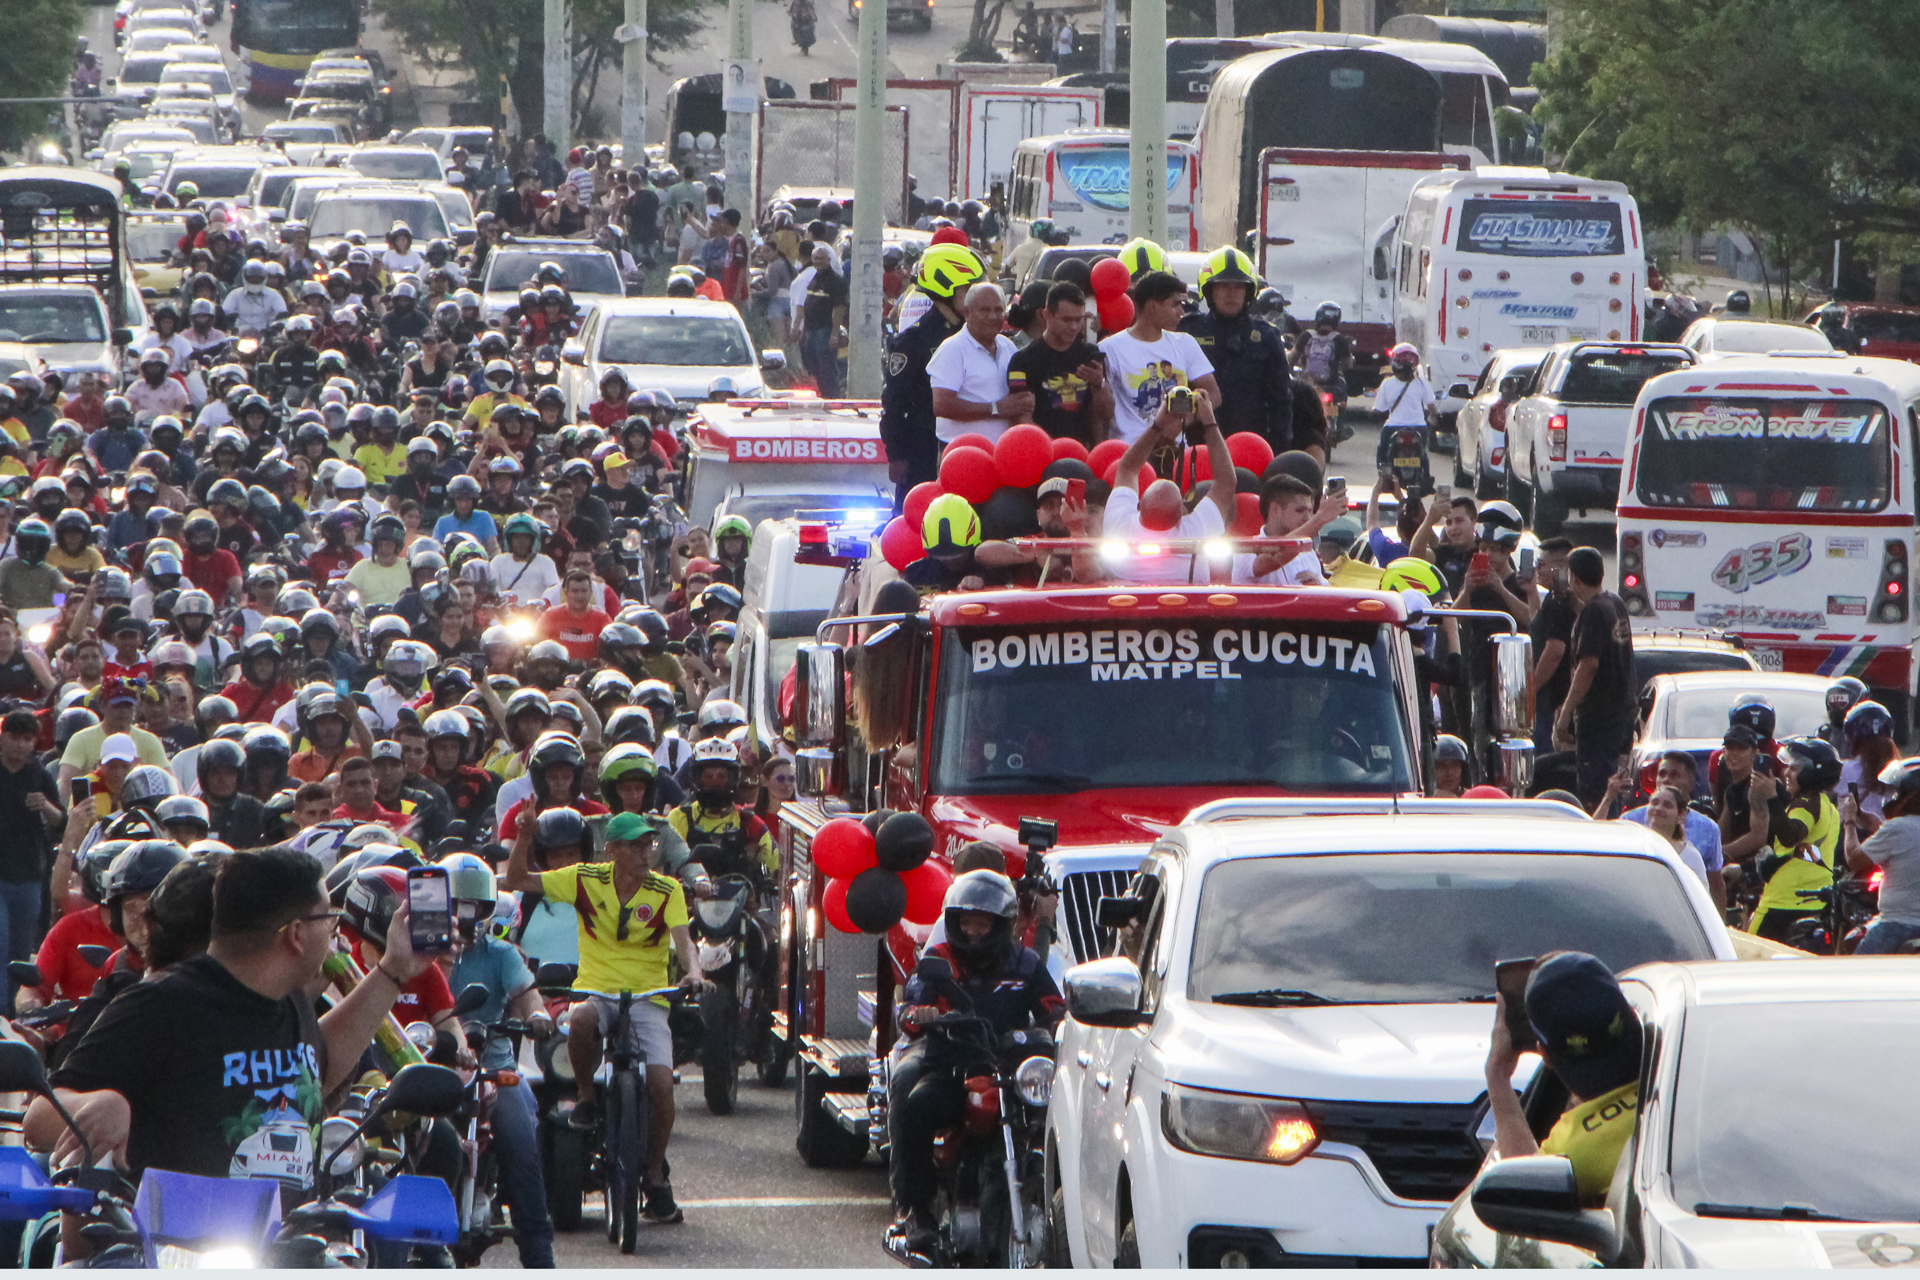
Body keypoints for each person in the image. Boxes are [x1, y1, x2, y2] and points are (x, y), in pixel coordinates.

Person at [25, 846, 442, 1186]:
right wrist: (103, 1103)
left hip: (285, 1247)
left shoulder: (288, 998)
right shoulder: (163, 1003)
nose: (335, 934)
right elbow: (39, 1117)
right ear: (296, 934)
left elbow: (319, 1067)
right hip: (175, 1250)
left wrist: (393, 971)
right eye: (329, 918)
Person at [502, 809, 710, 1224]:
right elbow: (516, 881)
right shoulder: (583, 879)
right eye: (633, 845)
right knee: (579, 1022)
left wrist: (694, 971)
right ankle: (586, 1098)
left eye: (647, 844)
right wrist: (525, 836)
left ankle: (654, 1176)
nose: (643, 852)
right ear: (611, 849)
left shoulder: (666, 889)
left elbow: (684, 942)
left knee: (661, 1086)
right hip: (597, 991)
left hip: (650, 997)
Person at [888, 870, 1061, 1252]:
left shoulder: (1026, 962)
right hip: (952, 1061)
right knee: (913, 1102)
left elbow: (1054, 1007)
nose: (973, 931)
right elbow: (913, 1004)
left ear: (1002, 924)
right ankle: (915, 1210)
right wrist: (920, 1015)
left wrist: (1060, 1026)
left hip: (1007, 1069)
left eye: (983, 923)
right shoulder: (940, 959)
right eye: (966, 921)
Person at [1481, 952, 1642, 1207]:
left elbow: (1523, 1191)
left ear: (1544, 1054)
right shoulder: (1688, 1089)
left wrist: (1498, 1075)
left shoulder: (1576, 1150)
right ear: (1633, 1015)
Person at [1097, 375, 1233, 585]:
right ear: (1182, 514)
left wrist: (1158, 424)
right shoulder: (1196, 530)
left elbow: (1127, 468)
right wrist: (1209, 421)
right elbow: (1226, 482)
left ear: (1139, 506)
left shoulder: (1120, 525)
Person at [880, 245, 984, 509]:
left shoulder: (981, 337)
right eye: (969, 289)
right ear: (945, 288)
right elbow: (894, 402)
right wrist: (897, 455)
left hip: (969, 448)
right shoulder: (913, 341)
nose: (977, 297)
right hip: (922, 449)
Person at [1179, 247, 1303, 457]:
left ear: (1249, 292)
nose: (1231, 293)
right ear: (1209, 291)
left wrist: (1278, 453)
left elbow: (1281, 402)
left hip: (1250, 448)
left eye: (1239, 286)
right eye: (1223, 286)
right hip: (1196, 448)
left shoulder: (1267, 337)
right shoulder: (1187, 331)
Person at [1551, 547, 1634, 807]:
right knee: (1613, 792)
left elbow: (1589, 665)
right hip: (1621, 719)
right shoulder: (1614, 603)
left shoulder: (1593, 613)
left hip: (1598, 722)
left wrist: (1565, 715)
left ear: (1575, 577)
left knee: (1595, 798)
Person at [1101, 270, 1219, 453]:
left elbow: (1213, 393)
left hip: (1174, 453)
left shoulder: (1185, 343)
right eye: (1175, 304)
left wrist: (1184, 420)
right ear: (1152, 306)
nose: (1182, 312)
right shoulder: (1109, 349)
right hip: (1128, 452)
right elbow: (1100, 411)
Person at [1747, 735, 1840, 943]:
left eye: (1794, 768)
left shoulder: (1805, 805)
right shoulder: (1828, 806)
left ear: (1810, 773)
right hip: (1817, 903)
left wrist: (1771, 796)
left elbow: (1789, 837)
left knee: (1748, 961)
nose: (1785, 772)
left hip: (1783, 903)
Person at [0, 711, 60, 1010]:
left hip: (27, 876)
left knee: (20, 955)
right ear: (3, 737)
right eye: (14, 737)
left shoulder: (39, 775)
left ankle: (13, 1017)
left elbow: (61, 820)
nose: (21, 745)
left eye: (27, 739)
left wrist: (45, 807)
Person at [1005, 280, 1110, 447]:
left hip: (1085, 454)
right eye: (1067, 320)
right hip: (1044, 452)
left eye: (1079, 319)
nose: (1074, 327)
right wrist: (1058, 450)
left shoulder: (1090, 355)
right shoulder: (1022, 361)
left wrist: (1099, 385)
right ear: (1046, 315)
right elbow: (1021, 419)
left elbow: (1106, 414)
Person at [1618, 751, 1725, 909]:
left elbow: (1715, 886)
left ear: (1691, 783)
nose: (1667, 780)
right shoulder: (1629, 821)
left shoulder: (1708, 829)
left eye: (1675, 775)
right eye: (1662, 774)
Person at [927, 284, 1028, 446]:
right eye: (985, 310)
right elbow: (942, 406)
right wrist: (995, 409)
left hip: (1004, 452)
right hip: (963, 454)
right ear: (967, 312)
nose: (993, 316)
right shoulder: (953, 349)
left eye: (998, 310)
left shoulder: (1008, 347)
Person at [1842, 756, 1920, 954]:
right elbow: (1908, 844)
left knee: (1855, 978)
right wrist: (1877, 826)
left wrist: (1849, 821)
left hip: (1898, 925)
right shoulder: (1898, 829)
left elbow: (1853, 859)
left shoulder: (1897, 828)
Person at [1374, 343, 1439, 471]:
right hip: (1419, 428)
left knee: (1382, 452)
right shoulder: (1422, 383)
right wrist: (1435, 416)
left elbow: (1380, 409)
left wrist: (1371, 412)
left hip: (1392, 428)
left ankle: (1384, 476)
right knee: (1423, 456)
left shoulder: (1387, 384)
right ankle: (1425, 478)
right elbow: (1432, 406)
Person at [797, 246, 847, 398]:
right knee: (813, 368)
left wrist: (834, 334)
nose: (818, 262)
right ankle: (821, 396)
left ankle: (832, 398)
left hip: (824, 332)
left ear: (828, 260)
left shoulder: (836, 281)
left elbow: (839, 308)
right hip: (810, 331)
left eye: (821, 258)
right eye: (816, 259)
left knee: (827, 369)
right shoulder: (813, 279)